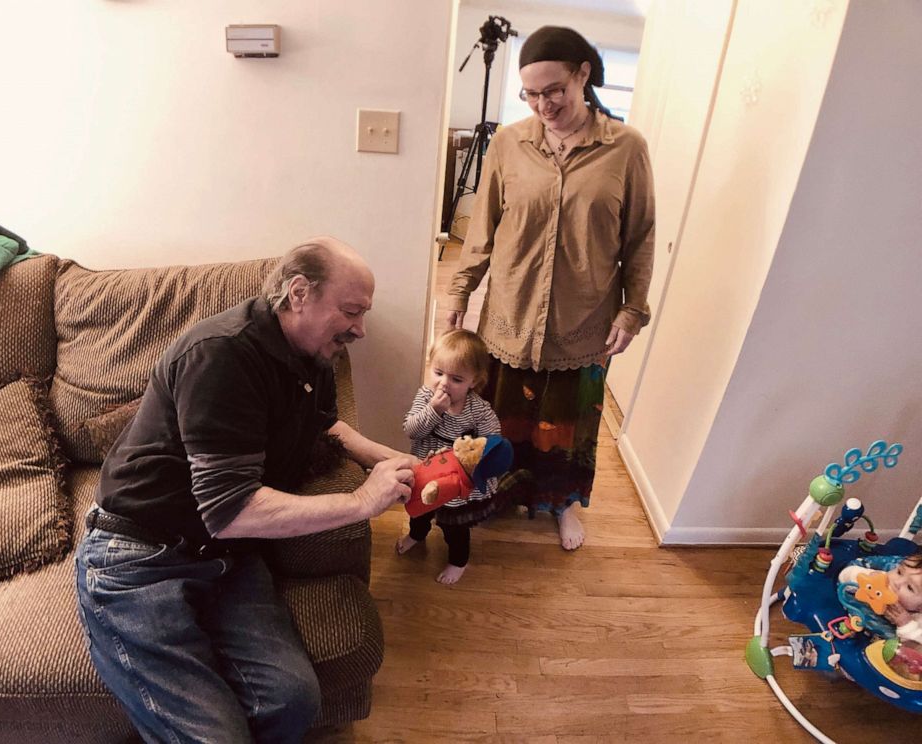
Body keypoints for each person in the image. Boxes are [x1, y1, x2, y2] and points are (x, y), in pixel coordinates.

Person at [75, 237, 416, 744]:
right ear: (299, 293)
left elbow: (326, 425)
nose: (361, 329)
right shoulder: (222, 355)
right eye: (351, 311)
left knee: (292, 700)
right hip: (138, 558)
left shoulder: (311, 357)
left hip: (226, 557)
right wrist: (363, 502)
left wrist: (382, 456)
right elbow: (231, 511)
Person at [446, 25, 655, 551]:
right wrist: (459, 294)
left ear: (583, 75)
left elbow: (641, 235)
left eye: (553, 90)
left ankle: (559, 505)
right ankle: (494, 494)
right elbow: (482, 229)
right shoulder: (508, 144)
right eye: (531, 94)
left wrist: (633, 311)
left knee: (566, 428)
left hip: (583, 321)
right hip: (509, 314)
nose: (543, 104)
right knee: (502, 418)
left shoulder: (626, 148)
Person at [396, 329, 501, 585]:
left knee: (455, 527)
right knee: (418, 513)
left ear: (473, 382)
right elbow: (411, 430)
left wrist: (472, 452)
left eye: (456, 378)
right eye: (438, 373)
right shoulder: (426, 397)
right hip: (425, 474)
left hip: (455, 483)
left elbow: (492, 437)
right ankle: (417, 535)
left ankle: (458, 560)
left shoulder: (478, 409)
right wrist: (433, 411)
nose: (443, 383)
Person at [840, 549, 922, 643]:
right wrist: (864, 579)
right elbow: (844, 575)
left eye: (910, 587)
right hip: (844, 616)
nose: (896, 582)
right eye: (899, 572)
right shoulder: (880, 577)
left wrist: (906, 624)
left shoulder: (918, 621)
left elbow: (913, 651)